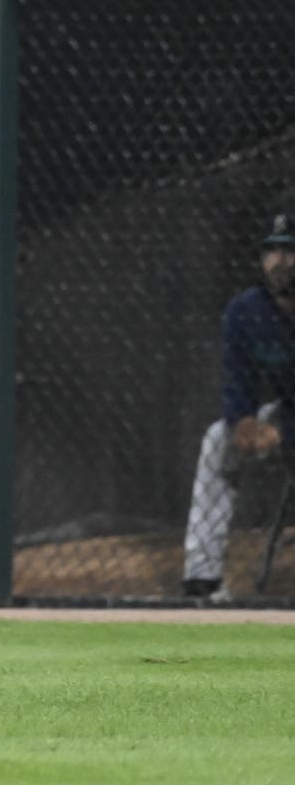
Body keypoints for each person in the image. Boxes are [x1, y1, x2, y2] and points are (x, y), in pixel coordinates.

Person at [182, 212, 295, 600]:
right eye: (271, 251)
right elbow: (237, 378)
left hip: (289, 422)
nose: (279, 261)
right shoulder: (247, 310)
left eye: (290, 250)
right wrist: (243, 420)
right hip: (286, 410)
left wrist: (282, 433)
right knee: (218, 439)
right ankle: (204, 578)